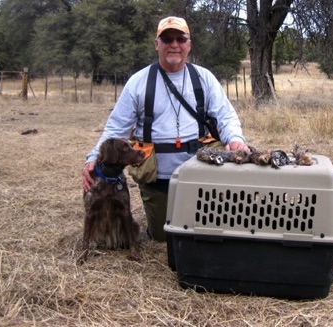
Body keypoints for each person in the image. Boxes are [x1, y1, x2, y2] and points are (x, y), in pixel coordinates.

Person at [82, 16, 249, 242]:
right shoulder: (138, 82)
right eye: (167, 38)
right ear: (157, 44)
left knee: (208, 228)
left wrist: (236, 139)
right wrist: (93, 158)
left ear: (189, 45)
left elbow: (225, 116)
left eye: (181, 39)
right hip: (157, 175)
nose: (174, 44)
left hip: (200, 169)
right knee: (164, 237)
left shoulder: (204, 78)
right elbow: (116, 128)